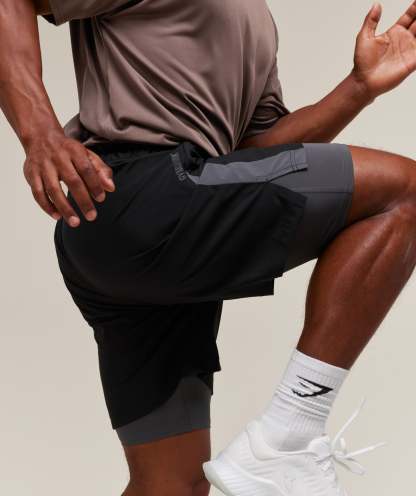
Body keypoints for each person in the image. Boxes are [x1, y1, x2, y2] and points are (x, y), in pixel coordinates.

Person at [1, 0, 416, 494]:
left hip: (133, 231)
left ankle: (280, 443)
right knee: (406, 191)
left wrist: (358, 88)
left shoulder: (254, 21)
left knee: (171, 485)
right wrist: (40, 135)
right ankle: (291, 431)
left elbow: (256, 152)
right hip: (141, 195)